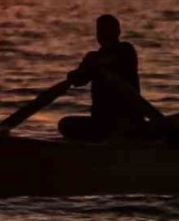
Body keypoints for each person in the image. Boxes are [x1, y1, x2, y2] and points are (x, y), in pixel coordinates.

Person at [58, 14, 144, 142]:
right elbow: (79, 80)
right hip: (101, 122)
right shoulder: (92, 57)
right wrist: (74, 75)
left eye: (107, 30)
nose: (102, 34)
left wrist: (92, 64)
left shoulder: (126, 50)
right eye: (100, 31)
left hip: (127, 121)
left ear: (117, 32)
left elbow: (112, 60)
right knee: (65, 124)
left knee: (121, 130)